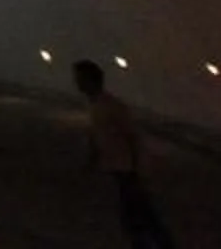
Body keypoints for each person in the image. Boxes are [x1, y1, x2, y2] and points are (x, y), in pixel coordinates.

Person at [74, 60, 177, 246]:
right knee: (137, 215)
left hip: (127, 170)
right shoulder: (95, 105)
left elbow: (133, 137)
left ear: (91, 80)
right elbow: (98, 136)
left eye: (80, 78)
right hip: (119, 168)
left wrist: (140, 168)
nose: (76, 83)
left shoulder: (112, 106)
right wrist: (92, 159)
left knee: (139, 215)